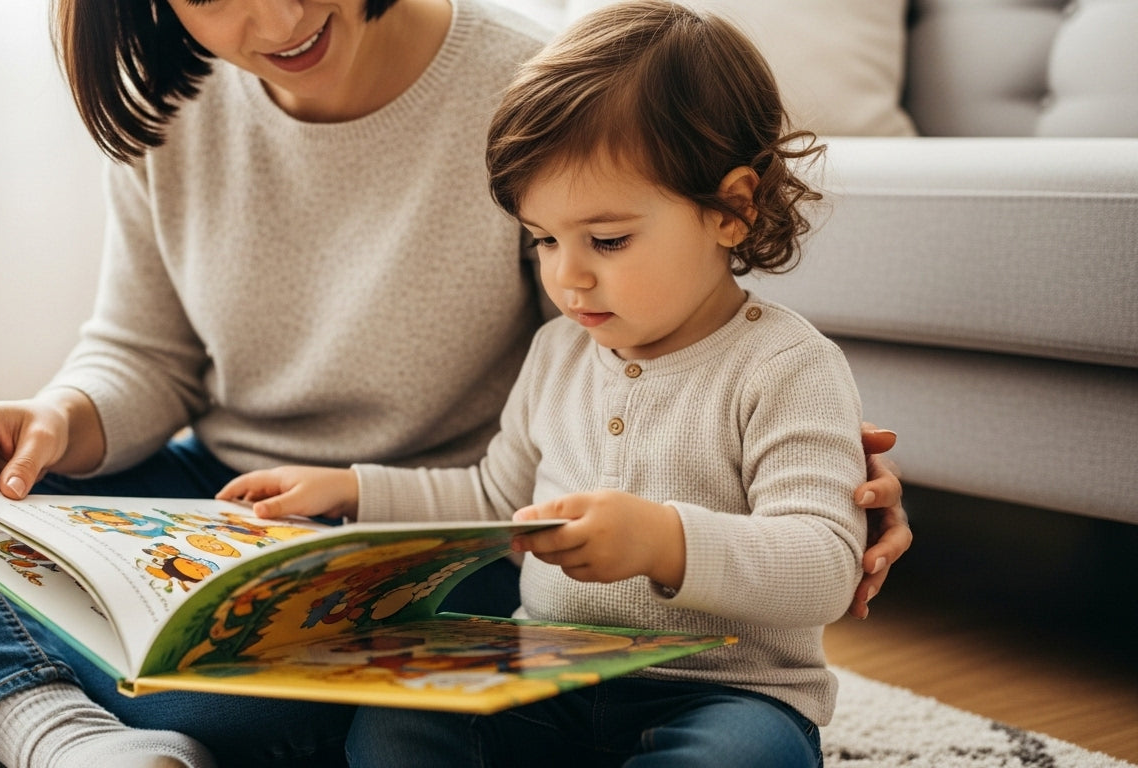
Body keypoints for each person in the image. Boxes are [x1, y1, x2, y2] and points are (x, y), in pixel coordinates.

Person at [0, 0, 909, 766]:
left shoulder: (532, 97)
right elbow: (144, 357)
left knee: (230, 723)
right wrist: (59, 418)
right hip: (239, 499)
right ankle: (13, 691)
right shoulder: (177, 101)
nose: (275, 15)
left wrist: (794, 489)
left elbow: (665, 351)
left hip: (420, 558)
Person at [216, 2, 875, 765]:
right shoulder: (558, 352)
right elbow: (498, 502)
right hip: (548, 678)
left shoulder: (787, 368)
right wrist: (352, 490)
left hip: (721, 694)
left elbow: (824, 565)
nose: (569, 275)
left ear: (732, 208)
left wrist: (664, 542)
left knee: (743, 758)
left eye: (607, 239)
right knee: (396, 728)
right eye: (543, 240)